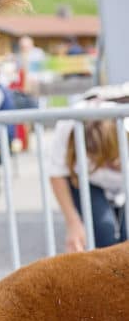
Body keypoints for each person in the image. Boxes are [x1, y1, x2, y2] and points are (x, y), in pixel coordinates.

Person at [49, 87, 128, 252]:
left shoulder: (124, 119)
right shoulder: (70, 123)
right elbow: (57, 175)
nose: (109, 166)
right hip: (88, 182)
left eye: (111, 160)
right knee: (103, 233)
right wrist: (73, 223)